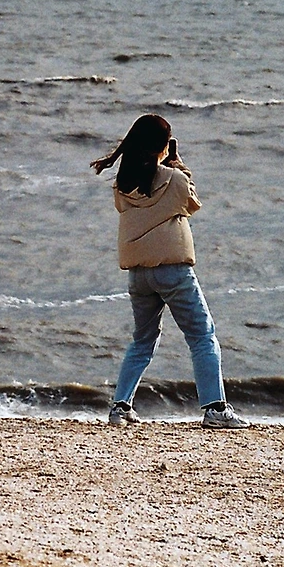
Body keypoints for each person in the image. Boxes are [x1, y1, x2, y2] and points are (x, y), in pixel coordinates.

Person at [90, 114, 249, 429]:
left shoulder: (122, 186)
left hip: (139, 273)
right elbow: (192, 204)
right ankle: (215, 408)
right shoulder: (174, 178)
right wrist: (180, 167)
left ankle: (120, 407)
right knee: (202, 335)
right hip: (173, 271)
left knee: (142, 340)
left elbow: (136, 204)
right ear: (162, 146)